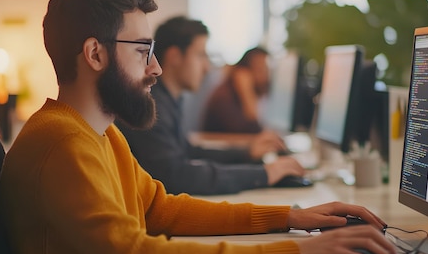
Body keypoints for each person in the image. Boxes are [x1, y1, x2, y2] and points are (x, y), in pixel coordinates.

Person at [0, 0, 397, 254]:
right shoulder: (63, 143)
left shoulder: (100, 134)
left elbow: (161, 209)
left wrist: (290, 216)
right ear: (95, 53)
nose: (154, 68)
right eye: (142, 52)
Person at [117, 16, 305, 195]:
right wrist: (264, 174)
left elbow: (188, 151)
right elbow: (175, 176)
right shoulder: (152, 105)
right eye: (201, 55)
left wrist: (247, 153)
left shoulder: (168, 100)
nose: (207, 67)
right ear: (174, 56)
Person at [201, 47, 272, 134]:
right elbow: (252, 130)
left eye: (267, 71)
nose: (265, 77)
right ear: (242, 73)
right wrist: (247, 92)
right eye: (260, 70)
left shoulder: (241, 96)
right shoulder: (224, 98)